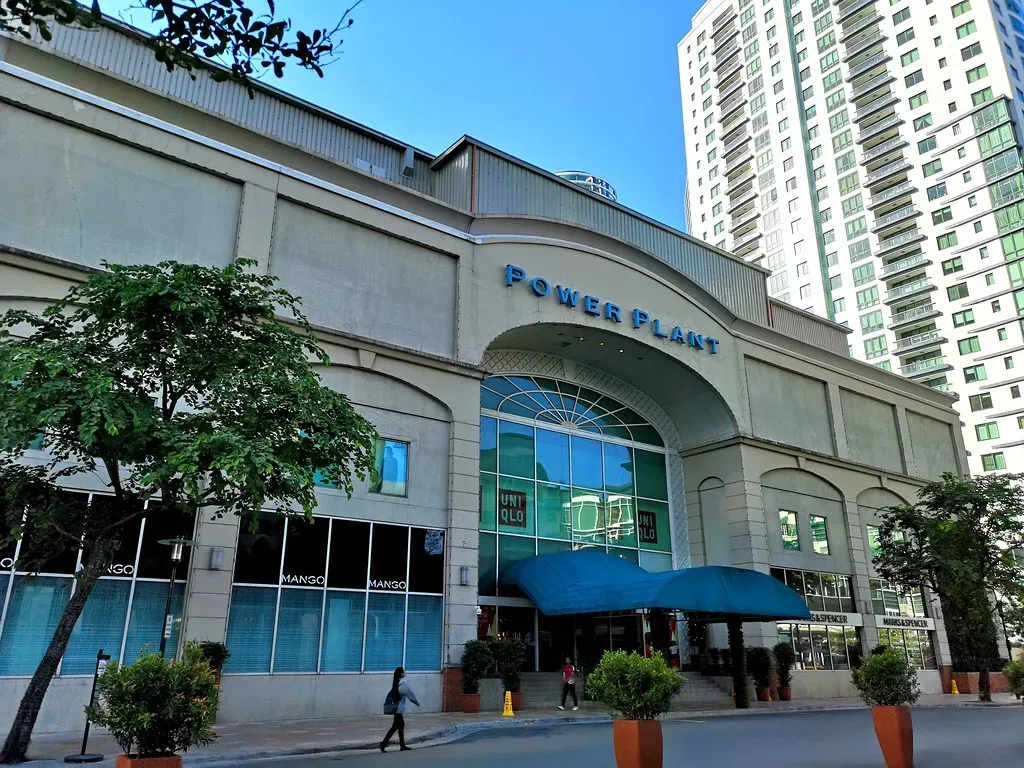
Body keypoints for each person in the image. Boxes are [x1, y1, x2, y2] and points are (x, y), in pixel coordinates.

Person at [380, 666, 420, 752]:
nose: (405, 673)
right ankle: (383, 744)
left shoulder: (396, 682)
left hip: (397, 709)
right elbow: (409, 694)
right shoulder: (402, 683)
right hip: (398, 709)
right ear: (401, 674)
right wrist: (416, 702)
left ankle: (402, 745)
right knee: (395, 727)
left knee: (400, 726)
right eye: (404, 672)